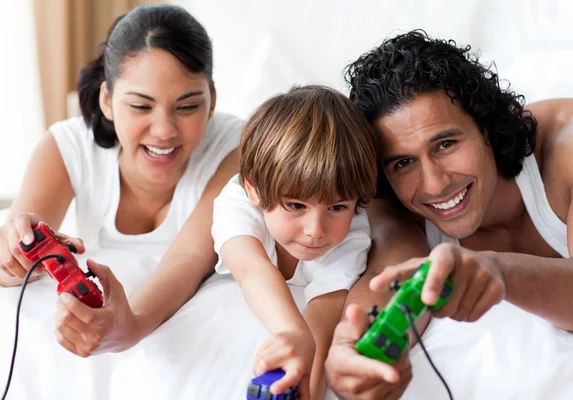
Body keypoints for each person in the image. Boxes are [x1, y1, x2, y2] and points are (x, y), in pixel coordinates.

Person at [325, 29, 573, 399]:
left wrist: (498, 270)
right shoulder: (395, 197)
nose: (435, 184)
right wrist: (354, 348)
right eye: (404, 162)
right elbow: (384, 280)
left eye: (445, 144)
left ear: (486, 123)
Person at [0, 4, 243, 357]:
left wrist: (132, 324)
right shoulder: (66, 146)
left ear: (212, 100)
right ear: (108, 101)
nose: (164, 131)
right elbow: (12, 250)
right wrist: (12, 258)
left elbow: (189, 257)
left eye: (188, 106)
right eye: (141, 107)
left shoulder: (235, 147)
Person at [211, 85, 378, 399]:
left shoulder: (353, 233)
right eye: (296, 206)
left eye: (337, 207)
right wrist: (291, 332)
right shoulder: (237, 201)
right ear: (254, 189)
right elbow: (251, 270)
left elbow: (322, 323)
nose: (316, 230)